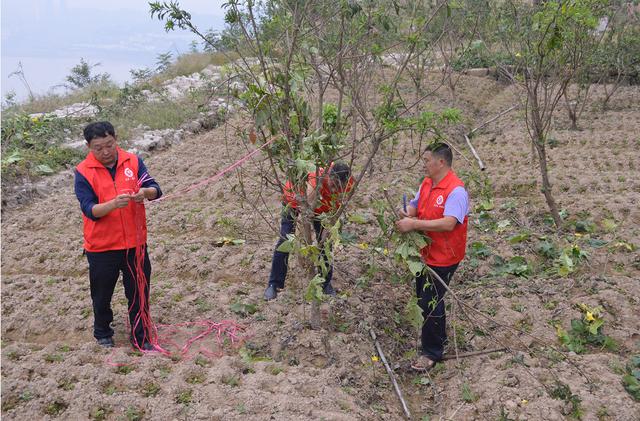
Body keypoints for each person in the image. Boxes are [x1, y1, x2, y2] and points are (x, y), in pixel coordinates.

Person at [74, 121, 162, 350]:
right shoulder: (83, 172)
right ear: (88, 147)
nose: (105, 152)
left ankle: (141, 337)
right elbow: (90, 210)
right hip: (102, 247)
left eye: (109, 145)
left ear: (116, 139)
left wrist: (145, 193)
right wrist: (113, 204)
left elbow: (155, 189)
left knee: (139, 292)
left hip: (135, 244)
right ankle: (103, 332)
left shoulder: (132, 162)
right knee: (102, 295)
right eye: (98, 148)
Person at [395, 143, 469, 371]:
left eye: (427, 160)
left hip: (445, 257)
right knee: (425, 298)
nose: (424, 165)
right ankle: (438, 338)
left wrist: (413, 224)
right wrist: (409, 212)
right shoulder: (427, 183)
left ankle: (432, 352)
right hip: (425, 254)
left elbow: (449, 223)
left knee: (430, 301)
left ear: (441, 162)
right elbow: (415, 205)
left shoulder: (456, 191)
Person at [264, 162, 353, 301]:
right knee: (286, 239)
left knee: (325, 244)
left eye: (338, 186)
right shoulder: (316, 177)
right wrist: (302, 240)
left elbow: (337, 208)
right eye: (333, 184)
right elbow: (306, 207)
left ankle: (325, 283)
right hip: (295, 201)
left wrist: (328, 229)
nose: (335, 189)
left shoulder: (348, 184)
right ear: (329, 175)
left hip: (323, 208)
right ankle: (274, 284)